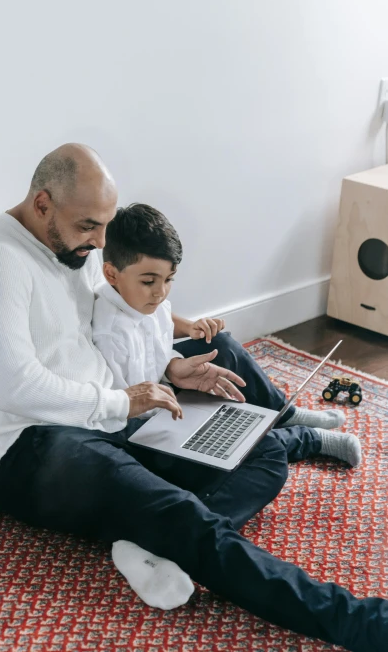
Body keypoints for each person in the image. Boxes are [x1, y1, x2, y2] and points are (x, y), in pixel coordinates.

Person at [0, 143, 388, 652]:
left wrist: (170, 369)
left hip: (107, 416)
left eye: (105, 225)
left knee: (260, 452)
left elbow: (118, 318)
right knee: (180, 514)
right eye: (90, 225)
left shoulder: (75, 247)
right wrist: (123, 402)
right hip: (31, 448)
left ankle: (151, 545)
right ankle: (362, 622)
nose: (100, 241)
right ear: (42, 204)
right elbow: (14, 387)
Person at [92, 202, 361, 609]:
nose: (161, 291)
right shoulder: (109, 329)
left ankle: (286, 419)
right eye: (150, 281)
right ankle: (298, 439)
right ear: (111, 273)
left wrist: (180, 355)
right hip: (138, 432)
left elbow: (156, 333)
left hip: (163, 405)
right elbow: (129, 397)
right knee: (259, 455)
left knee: (224, 350)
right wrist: (173, 377)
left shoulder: (146, 300)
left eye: (168, 279)